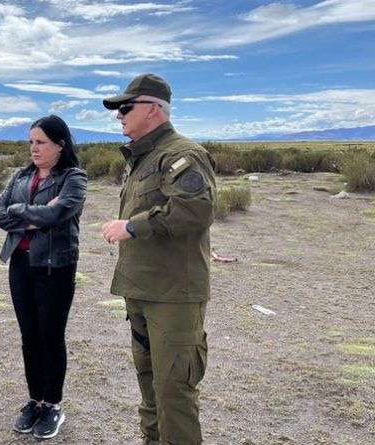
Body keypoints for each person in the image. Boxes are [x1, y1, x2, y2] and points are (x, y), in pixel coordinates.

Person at [100, 73, 216, 445]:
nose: (119, 115)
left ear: (153, 110)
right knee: (150, 384)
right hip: (142, 289)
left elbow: (195, 209)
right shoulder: (144, 156)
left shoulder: (182, 154)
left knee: (174, 391)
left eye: (125, 107)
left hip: (173, 294)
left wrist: (132, 227)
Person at [0, 115, 87, 441]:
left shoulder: (73, 177)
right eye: (31, 141)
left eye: (40, 142)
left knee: (50, 335)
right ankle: (34, 400)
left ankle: (53, 405)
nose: (33, 148)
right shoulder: (20, 175)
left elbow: (58, 213)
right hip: (21, 263)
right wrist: (32, 215)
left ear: (59, 145)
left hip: (55, 267)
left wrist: (20, 212)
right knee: (29, 335)